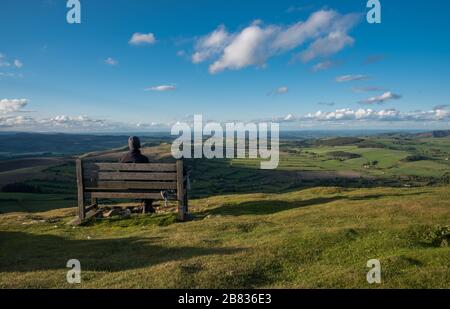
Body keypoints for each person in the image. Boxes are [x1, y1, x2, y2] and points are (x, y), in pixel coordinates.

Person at [120, 136, 155, 213]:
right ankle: (147, 205)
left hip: (128, 187)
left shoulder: (123, 159)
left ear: (129, 145)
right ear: (139, 145)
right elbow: (149, 175)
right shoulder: (144, 159)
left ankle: (146, 206)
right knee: (151, 185)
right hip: (143, 186)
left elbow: (120, 173)